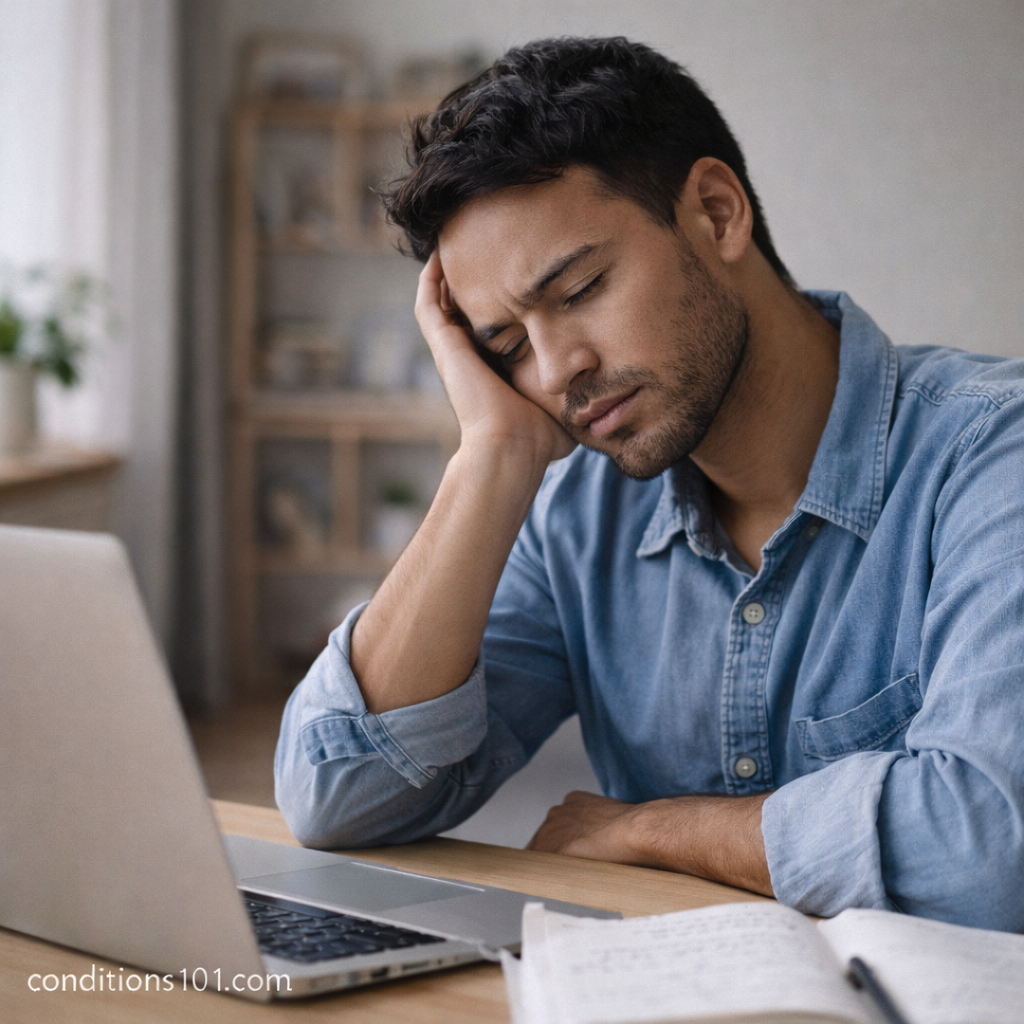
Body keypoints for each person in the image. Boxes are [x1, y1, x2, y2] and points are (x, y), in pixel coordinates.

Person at [275, 37, 1024, 930]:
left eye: (582, 288)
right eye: (507, 346)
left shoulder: (990, 453)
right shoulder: (577, 516)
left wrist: (655, 829)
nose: (557, 371)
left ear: (715, 212)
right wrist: (490, 458)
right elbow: (339, 799)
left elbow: (990, 853)